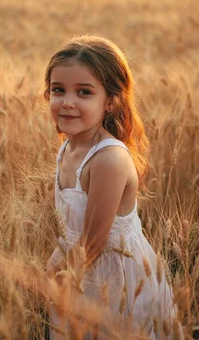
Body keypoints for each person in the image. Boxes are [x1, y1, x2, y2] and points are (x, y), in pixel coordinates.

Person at [44, 35, 178, 339]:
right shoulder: (67, 150)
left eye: (84, 92)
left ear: (110, 102)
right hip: (76, 267)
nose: (67, 101)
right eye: (58, 90)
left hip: (115, 281)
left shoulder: (109, 160)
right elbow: (71, 228)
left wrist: (55, 279)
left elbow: (93, 242)